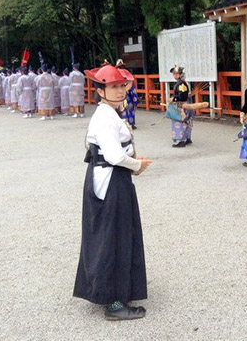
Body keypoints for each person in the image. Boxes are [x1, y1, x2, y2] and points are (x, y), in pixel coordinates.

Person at [73, 63, 151, 320]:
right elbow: (115, 155)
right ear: (100, 90)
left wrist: (133, 164)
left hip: (112, 178)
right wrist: (137, 165)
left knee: (116, 234)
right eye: (113, 86)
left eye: (121, 86)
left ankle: (116, 290)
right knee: (113, 237)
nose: (119, 91)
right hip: (111, 181)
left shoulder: (109, 113)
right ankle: (113, 302)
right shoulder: (105, 116)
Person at [169, 64, 193, 147]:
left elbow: (182, 95)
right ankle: (187, 138)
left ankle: (181, 140)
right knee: (187, 121)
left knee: (179, 122)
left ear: (180, 74)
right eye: (174, 74)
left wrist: (174, 98)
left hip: (182, 104)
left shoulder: (181, 83)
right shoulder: (183, 82)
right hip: (186, 103)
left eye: (176, 73)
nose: (174, 75)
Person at [116, 59, 139, 129]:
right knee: (130, 109)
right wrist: (135, 99)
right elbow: (132, 88)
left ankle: (123, 124)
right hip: (128, 95)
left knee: (122, 110)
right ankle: (131, 124)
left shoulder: (115, 74)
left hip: (119, 95)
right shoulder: (127, 73)